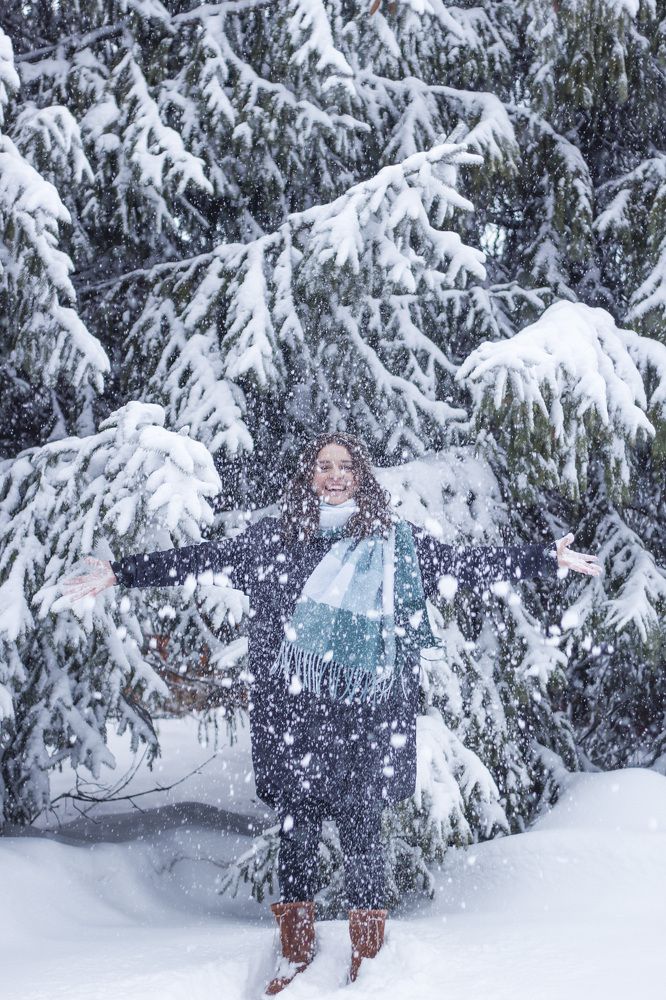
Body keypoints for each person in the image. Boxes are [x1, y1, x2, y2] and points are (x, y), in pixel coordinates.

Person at [63, 433, 601, 993]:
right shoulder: (273, 541)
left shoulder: (394, 543)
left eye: (345, 466)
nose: (335, 475)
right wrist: (121, 572)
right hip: (294, 717)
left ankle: (367, 957)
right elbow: (200, 561)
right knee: (296, 835)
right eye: (325, 466)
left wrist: (545, 558)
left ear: (361, 477)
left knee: (364, 834)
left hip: (367, 720)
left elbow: (464, 565)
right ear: (309, 475)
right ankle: (295, 955)